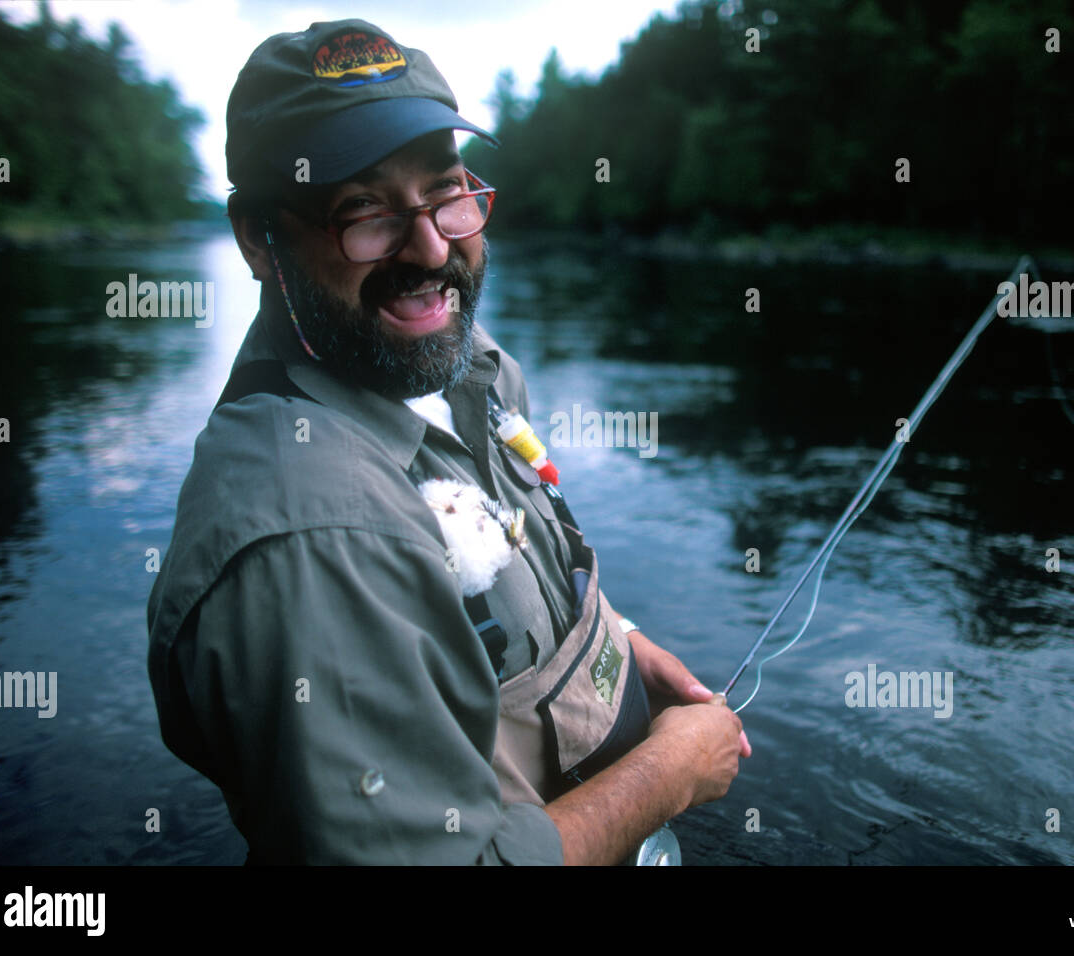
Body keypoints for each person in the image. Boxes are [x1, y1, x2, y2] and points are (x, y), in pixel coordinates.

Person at [146, 18, 748, 866]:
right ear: (258, 236)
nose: (432, 246)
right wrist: (670, 774)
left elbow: (525, 569)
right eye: (364, 211)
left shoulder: (462, 364)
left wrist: (625, 647)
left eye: (448, 191)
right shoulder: (314, 546)